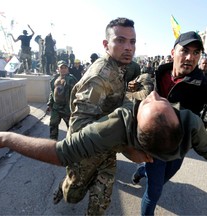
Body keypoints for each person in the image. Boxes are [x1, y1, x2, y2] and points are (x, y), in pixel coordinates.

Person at [0, 92, 207, 211]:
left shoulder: (120, 124)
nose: (154, 95)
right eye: (160, 102)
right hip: (123, 149)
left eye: (157, 102)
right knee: (76, 194)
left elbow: (60, 152)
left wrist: (7, 138)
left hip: (146, 154)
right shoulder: (184, 122)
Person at [52, 17, 154, 215]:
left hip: (106, 149)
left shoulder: (120, 68)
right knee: (72, 195)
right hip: (86, 151)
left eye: (132, 42)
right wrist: (126, 148)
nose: (128, 47)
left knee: (101, 202)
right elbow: (80, 129)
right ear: (106, 44)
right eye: (120, 40)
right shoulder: (99, 77)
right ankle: (66, 184)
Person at [131, 31, 207, 215]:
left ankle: (141, 172)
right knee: (154, 192)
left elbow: (205, 118)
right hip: (153, 144)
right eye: (185, 51)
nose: (190, 57)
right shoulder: (158, 73)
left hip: (179, 147)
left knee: (162, 179)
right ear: (173, 52)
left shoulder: (205, 86)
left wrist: (194, 138)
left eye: (196, 53)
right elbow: (139, 101)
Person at [46, 60, 78, 140]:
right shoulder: (54, 79)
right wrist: (50, 104)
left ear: (68, 69)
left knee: (71, 127)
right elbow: (52, 92)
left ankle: (71, 144)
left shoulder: (71, 79)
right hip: (56, 107)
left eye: (65, 67)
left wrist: (76, 107)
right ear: (58, 69)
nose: (63, 69)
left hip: (67, 108)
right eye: (61, 68)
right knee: (53, 125)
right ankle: (52, 143)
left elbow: (76, 93)